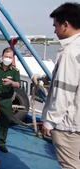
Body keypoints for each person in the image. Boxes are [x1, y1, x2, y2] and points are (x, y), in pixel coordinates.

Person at [41, 2, 80, 169]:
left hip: (68, 126)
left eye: (55, 26)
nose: (54, 31)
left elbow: (64, 92)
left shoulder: (69, 53)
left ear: (66, 24)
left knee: (70, 166)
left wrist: (49, 122)